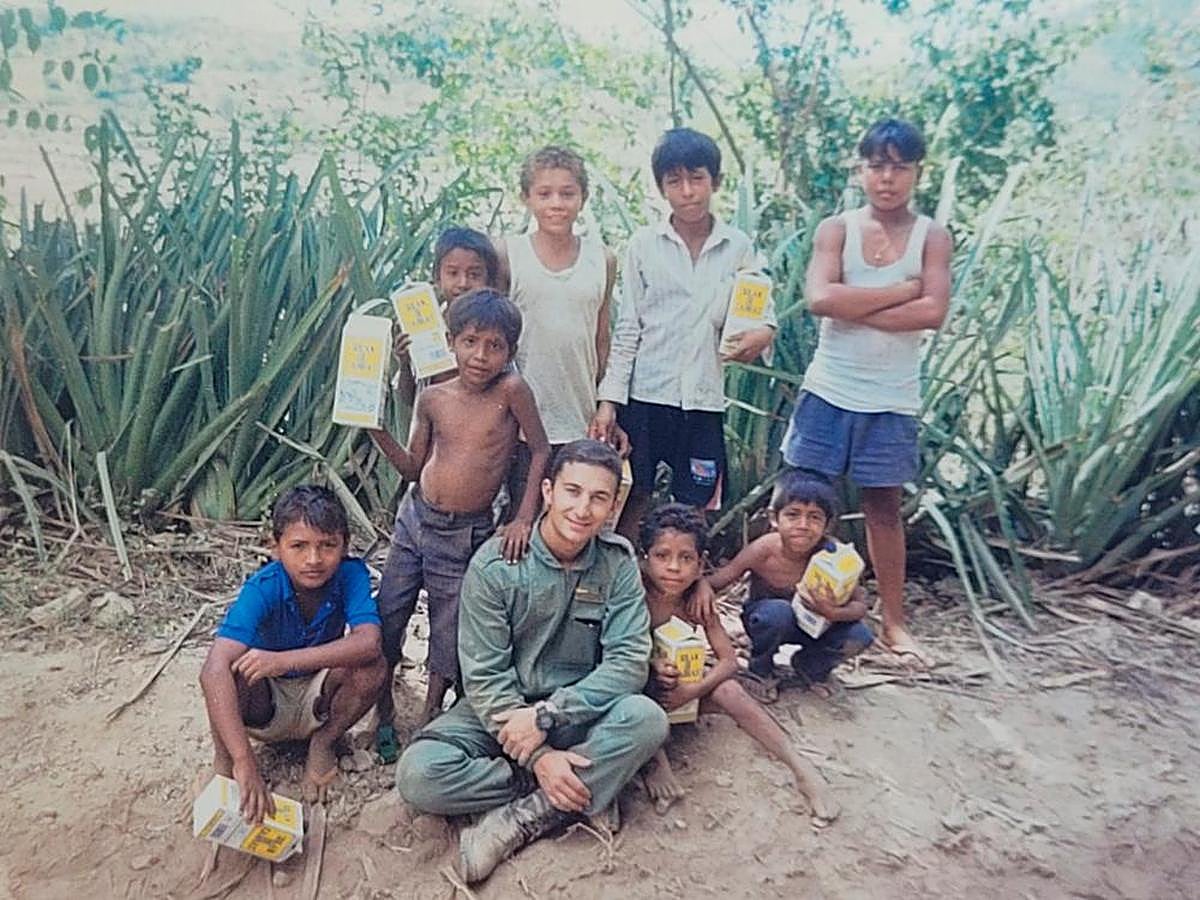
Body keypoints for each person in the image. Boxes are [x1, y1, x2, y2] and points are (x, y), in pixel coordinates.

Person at [396, 440, 668, 884]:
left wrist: (549, 715)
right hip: (502, 714)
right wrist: (540, 757)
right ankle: (582, 784)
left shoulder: (617, 565)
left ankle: (523, 818)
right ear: (547, 491)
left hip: (577, 709)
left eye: (599, 498)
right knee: (419, 774)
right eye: (572, 491)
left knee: (645, 718)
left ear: (614, 504)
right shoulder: (496, 564)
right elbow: (485, 679)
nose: (583, 509)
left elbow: (628, 664)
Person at [781, 117, 952, 668]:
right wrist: (901, 293)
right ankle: (780, 609)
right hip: (829, 387)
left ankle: (894, 623)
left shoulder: (933, 237)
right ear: (861, 170)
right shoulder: (839, 229)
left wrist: (862, 300)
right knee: (800, 498)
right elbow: (819, 299)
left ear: (917, 172)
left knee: (883, 509)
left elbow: (933, 312)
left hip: (892, 397)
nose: (887, 177)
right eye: (877, 165)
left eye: (899, 166)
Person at [367, 289, 550, 760]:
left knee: (449, 627)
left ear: (510, 352)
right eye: (470, 342)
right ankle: (382, 708)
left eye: (495, 346)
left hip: (464, 530)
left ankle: (431, 715)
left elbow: (541, 450)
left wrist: (524, 516)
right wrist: (374, 427)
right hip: (415, 520)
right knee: (389, 612)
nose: (481, 356)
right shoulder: (433, 397)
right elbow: (411, 467)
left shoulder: (512, 391)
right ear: (451, 341)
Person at [590, 127, 776, 538]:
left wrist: (762, 335)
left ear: (716, 181)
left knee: (693, 504)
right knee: (632, 491)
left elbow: (762, 312)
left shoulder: (738, 247)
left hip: (703, 399)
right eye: (674, 181)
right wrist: (609, 402)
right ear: (661, 188)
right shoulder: (645, 245)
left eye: (697, 179)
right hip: (646, 394)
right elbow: (628, 329)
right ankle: (616, 575)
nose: (688, 191)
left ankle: (679, 586)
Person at [637, 503, 840, 824]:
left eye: (686, 558)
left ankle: (801, 768)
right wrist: (650, 672)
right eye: (662, 556)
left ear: (701, 563)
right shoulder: (635, 593)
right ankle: (655, 761)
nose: (674, 568)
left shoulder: (696, 601)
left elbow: (729, 661)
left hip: (681, 697)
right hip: (640, 696)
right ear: (645, 558)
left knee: (730, 690)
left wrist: (693, 690)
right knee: (633, 684)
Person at [199, 485, 386, 816]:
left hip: (318, 691)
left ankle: (324, 742)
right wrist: (245, 760)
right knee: (230, 673)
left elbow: (368, 641)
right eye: (298, 546)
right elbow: (212, 670)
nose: (313, 559)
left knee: (373, 664)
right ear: (275, 548)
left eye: (327, 546)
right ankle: (227, 758)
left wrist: (282, 660)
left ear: (344, 545)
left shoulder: (350, 574)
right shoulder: (264, 587)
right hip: (264, 700)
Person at [494, 146, 626, 517]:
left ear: (583, 197)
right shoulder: (508, 254)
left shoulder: (603, 259)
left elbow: (602, 339)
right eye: (544, 193)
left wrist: (606, 404)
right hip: (519, 418)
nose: (556, 204)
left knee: (570, 515)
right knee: (519, 513)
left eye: (567, 193)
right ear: (526, 197)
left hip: (579, 415)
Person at [708, 472, 874, 701]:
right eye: (793, 515)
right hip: (771, 622)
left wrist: (833, 612)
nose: (803, 526)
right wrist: (692, 590)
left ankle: (812, 667)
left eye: (815, 517)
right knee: (778, 613)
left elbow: (860, 606)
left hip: (819, 624)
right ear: (774, 518)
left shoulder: (834, 555)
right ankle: (760, 670)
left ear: (828, 524)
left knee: (860, 635)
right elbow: (720, 580)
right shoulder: (765, 549)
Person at [392, 227, 501, 400]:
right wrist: (405, 361)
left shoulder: (498, 327)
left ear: (489, 279)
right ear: (437, 276)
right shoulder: (424, 326)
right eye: (453, 273)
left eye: (474, 274)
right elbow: (409, 398)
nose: (463, 283)